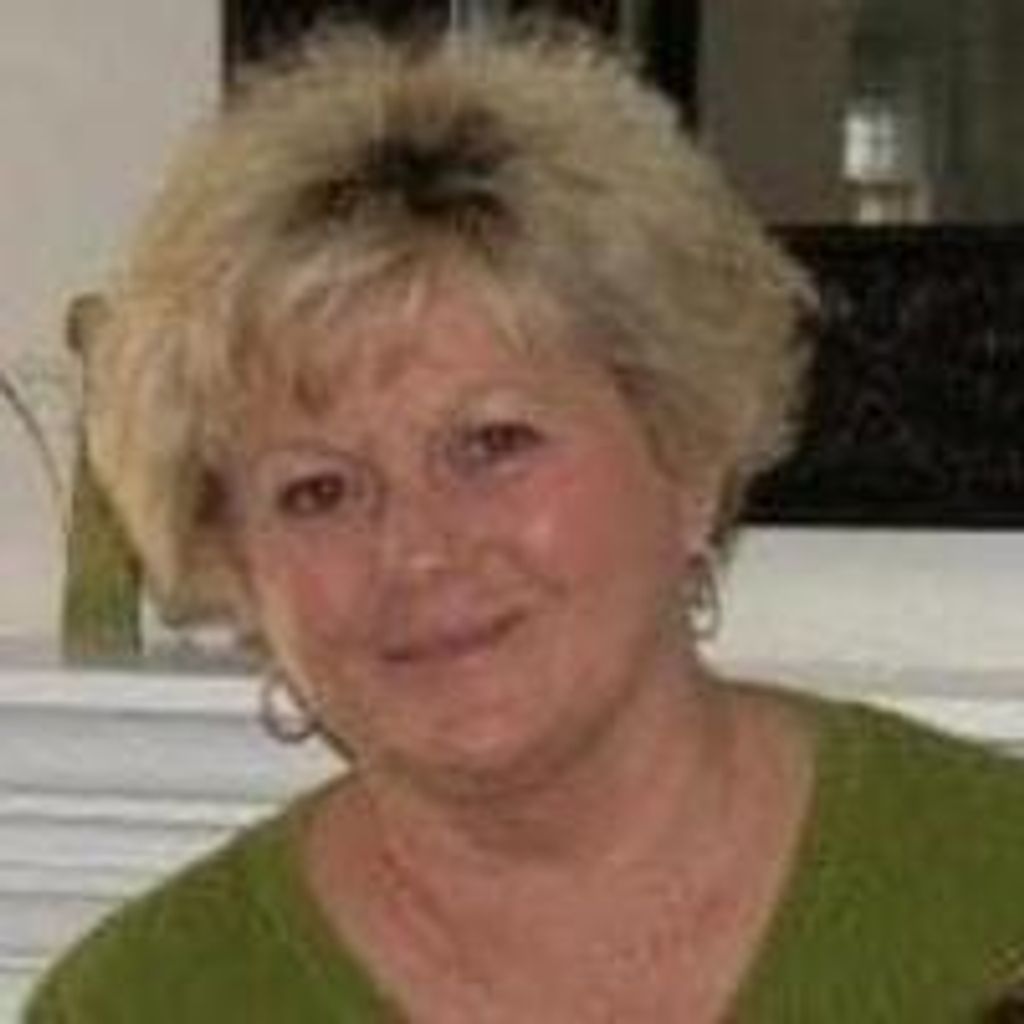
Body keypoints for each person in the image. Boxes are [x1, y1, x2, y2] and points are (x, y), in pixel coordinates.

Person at [26, 18, 1024, 1023]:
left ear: (685, 456)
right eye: (319, 491)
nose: (416, 549)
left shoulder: (994, 902)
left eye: (492, 443)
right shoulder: (139, 1005)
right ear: (239, 569)